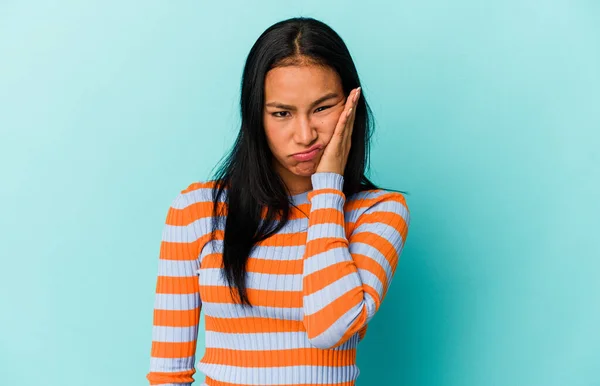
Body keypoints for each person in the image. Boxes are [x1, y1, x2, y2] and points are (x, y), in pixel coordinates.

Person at [146, 16, 411, 386]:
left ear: (351, 105)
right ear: (256, 116)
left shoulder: (377, 212)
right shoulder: (198, 211)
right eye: (282, 113)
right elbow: (167, 374)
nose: (305, 135)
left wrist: (328, 186)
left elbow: (330, 328)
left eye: (322, 108)